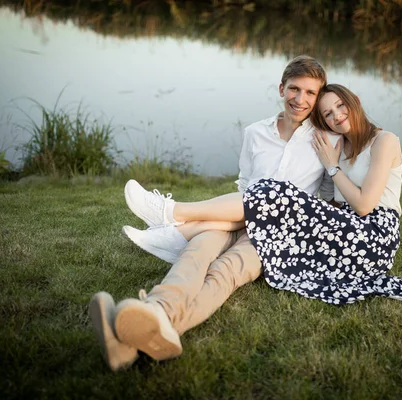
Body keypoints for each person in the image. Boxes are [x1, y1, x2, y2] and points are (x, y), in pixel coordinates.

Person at [89, 55, 339, 371]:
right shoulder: (255, 133)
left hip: (278, 234)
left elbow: (330, 201)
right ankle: (154, 314)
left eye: (310, 93)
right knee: (197, 252)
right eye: (294, 89)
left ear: (318, 98)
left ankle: (145, 326)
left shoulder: (326, 140)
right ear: (281, 88)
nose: (300, 99)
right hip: (237, 214)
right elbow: (246, 184)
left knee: (226, 270)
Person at [122, 84, 402, 308]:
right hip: (345, 228)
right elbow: (335, 203)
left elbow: (365, 205)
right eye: (327, 114)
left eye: (340, 106)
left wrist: (331, 168)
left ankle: (172, 213)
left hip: (373, 236)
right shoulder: (339, 145)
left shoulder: (385, 141)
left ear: (355, 101)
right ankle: (174, 232)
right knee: (271, 197)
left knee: (277, 193)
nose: (336, 116)